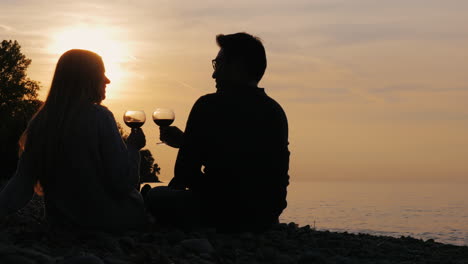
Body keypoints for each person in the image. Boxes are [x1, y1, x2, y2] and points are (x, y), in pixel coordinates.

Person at [145, 32, 290, 232]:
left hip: (219, 212)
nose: (214, 74)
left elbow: (186, 173)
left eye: (218, 64)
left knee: (155, 195)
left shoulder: (208, 105)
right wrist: (188, 142)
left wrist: (188, 149)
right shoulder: (275, 111)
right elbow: (243, 158)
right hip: (265, 215)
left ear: (237, 66)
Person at [0, 49, 147, 232]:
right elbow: (123, 183)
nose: (107, 80)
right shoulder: (101, 117)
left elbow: (21, 186)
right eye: (101, 73)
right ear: (87, 79)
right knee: (152, 200)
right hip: (109, 221)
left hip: (62, 223)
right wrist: (133, 149)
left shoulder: (41, 122)